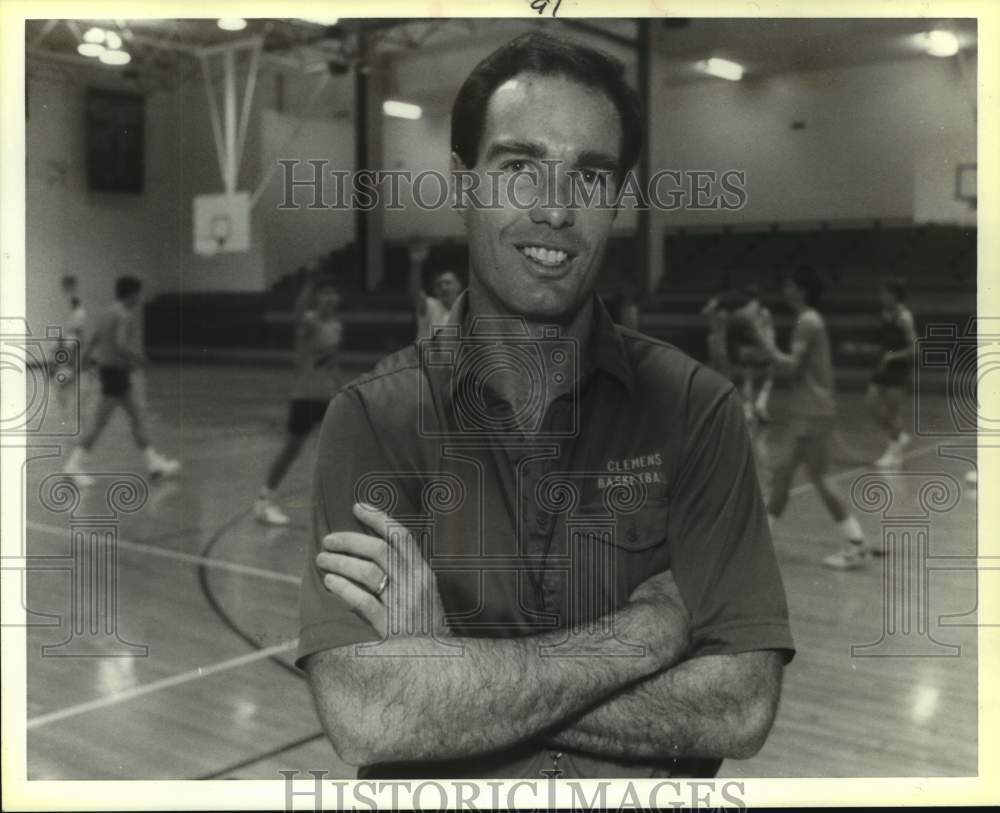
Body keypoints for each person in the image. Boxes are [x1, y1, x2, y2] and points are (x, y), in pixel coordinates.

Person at [299, 33, 794, 779]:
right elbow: (367, 713)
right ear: (463, 183)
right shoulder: (373, 419)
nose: (556, 209)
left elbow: (741, 706)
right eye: (519, 168)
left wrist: (452, 667)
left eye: (590, 176)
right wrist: (647, 634)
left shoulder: (697, 409)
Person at [752, 266, 871, 570]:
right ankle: (757, 543)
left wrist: (763, 338)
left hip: (812, 413)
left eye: (790, 285)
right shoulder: (807, 320)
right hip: (808, 411)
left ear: (802, 290)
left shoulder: (808, 321)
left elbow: (791, 367)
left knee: (819, 478)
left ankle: (856, 544)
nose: (785, 291)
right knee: (782, 475)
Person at [62, 276, 180, 485]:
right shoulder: (124, 315)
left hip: (112, 374)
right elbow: (120, 344)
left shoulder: (105, 313)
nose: (139, 298)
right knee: (100, 422)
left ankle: (154, 463)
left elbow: (94, 341)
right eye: (138, 294)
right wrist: (140, 360)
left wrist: (80, 367)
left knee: (136, 417)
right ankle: (73, 465)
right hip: (116, 375)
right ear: (132, 294)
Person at [255, 275, 344, 525]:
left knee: (341, 448)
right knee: (291, 451)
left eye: (332, 293)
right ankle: (264, 500)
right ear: (317, 298)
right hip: (304, 398)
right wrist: (309, 283)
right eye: (324, 293)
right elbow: (296, 314)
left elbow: (332, 362)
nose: (329, 298)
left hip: (327, 398)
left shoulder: (336, 327)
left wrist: (342, 388)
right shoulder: (310, 321)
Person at [868, 277, 916, 468]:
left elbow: (915, 348)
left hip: (898, 369)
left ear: (895, 295)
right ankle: (899, 435)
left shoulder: (904, 317)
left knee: (892, 411)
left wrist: (893, 356)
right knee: (871, 404)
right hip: (882, 367)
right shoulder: (884, 314)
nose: (881, 296)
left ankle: (894, 454)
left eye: (885, 293)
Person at [53, 274, 87, 421]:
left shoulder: (76, 306)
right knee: (67, 377)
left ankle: (69, 410)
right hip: (68, 343)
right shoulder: (70, 304)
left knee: (68, 377)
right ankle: (67, 410)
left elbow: (76, 329)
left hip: (71, 343)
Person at [412, 265, 463, 338]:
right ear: (435, 290)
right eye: (439, 285)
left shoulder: (466, 311)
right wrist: (416, 264)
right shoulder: (430, 306)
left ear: (458, 285)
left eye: (448, 283)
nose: (443, 287)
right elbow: (415, 293)